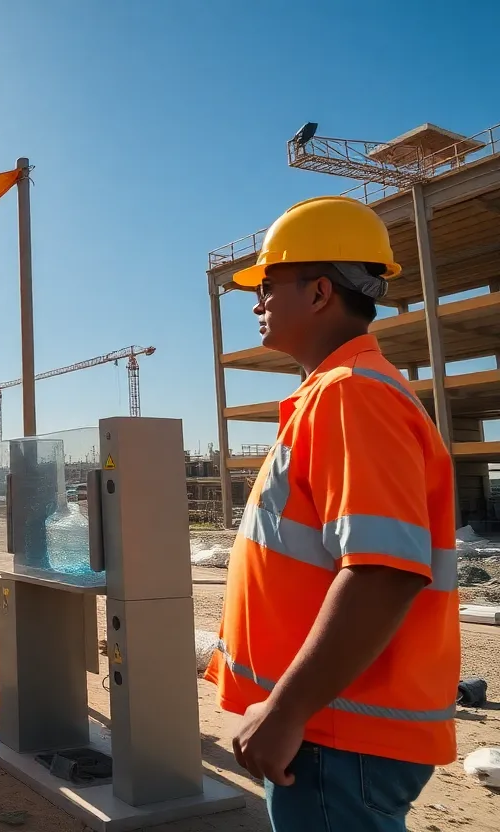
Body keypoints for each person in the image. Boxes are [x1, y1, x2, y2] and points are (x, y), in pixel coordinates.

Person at [204, 196, 459, 831]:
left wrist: (286, 710)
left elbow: (384, 571)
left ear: (319, 292)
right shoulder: (335, 393)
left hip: (338, 734)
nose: (256, 305)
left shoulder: (351, 397)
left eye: (265, 287)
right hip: (331, 727)